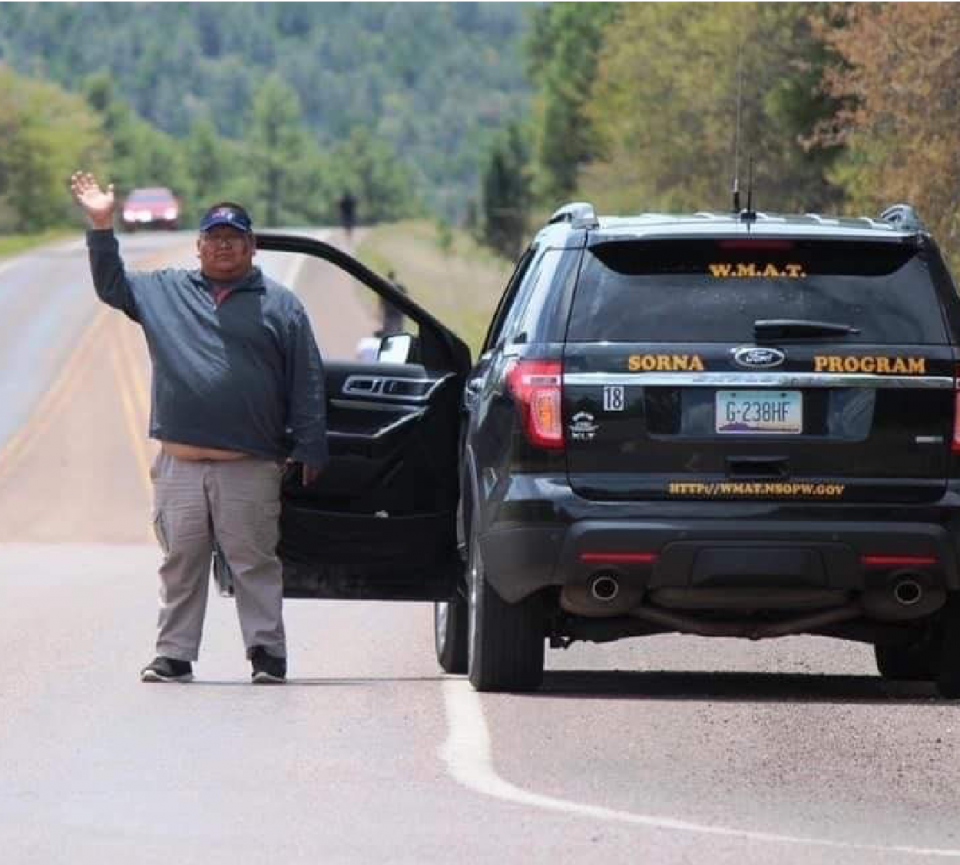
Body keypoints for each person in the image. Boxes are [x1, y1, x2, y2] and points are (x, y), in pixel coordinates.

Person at [70, 172, 328, 685]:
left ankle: (266, 655)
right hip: (180, 464)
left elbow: (307, 379)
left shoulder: (280, 304)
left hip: (248, 463)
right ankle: (174, 656)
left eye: (235, 238)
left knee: (253, 561)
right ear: (199, 246)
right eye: (215, 238)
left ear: (252, 247)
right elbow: (112, 286)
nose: (224, 246)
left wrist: (310, 445)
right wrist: (102, 225)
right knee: (180, 561)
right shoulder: (165, 291)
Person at [378, 270, 407, 338]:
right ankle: (397, 335)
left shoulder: (385, 285)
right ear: (394, 277)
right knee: (398, 324)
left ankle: (387, 336)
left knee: (388, 323)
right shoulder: (400, 286)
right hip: (398, 309)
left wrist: (381, 307)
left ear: (388, 277)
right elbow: (405, 293)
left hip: (389, 309)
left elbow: (381, 298)